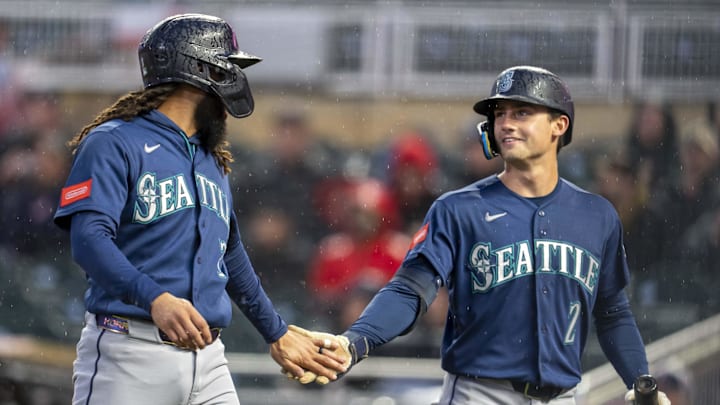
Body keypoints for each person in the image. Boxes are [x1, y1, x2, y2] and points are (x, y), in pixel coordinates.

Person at [288, 66, 669, 404]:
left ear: (559, 125)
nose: (506, 123)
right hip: (480, 393)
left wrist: (640, 381)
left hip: (565, 395)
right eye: (499, 114)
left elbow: (613, 312)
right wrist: (356, 341)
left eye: (522, 111)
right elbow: (410, 289)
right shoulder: (458, 208)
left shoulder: (597, 215)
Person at [52, 14, 346, 405]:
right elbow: (88, 240)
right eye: (229, 66)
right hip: (129, 352)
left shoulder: (210, 158)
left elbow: (230, 254)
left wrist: (275, 332)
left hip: (208, 360)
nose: (235, 79)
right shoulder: (114, 142)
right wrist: (154, 297)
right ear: (200, 69)